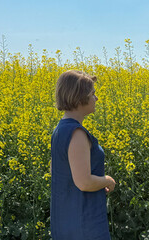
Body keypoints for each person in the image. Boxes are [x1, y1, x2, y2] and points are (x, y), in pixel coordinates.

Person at [50, 70, 115, 239]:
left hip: (66, 218)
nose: (96, 98)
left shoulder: (59, 130)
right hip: (85, 223)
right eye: (93, 94)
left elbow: (55, 169)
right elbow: (84, 182)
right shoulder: (76, 133)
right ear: (80, 98)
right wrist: (107, 180)